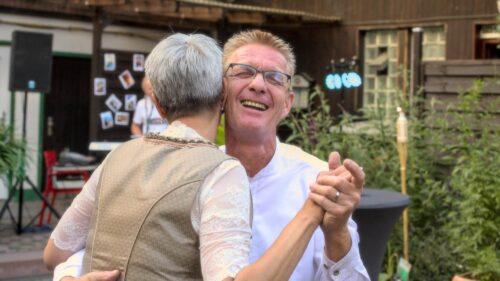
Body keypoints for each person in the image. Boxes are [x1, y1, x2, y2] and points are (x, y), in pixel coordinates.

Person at [47, 30, 370, 281]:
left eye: (274, 77)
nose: (258, 84)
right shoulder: (183, 169)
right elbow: (103, 241)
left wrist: (336, 232)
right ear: (219, 90)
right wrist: (70, 274)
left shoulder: (315, 180)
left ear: (287, 103)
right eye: (243, 71)